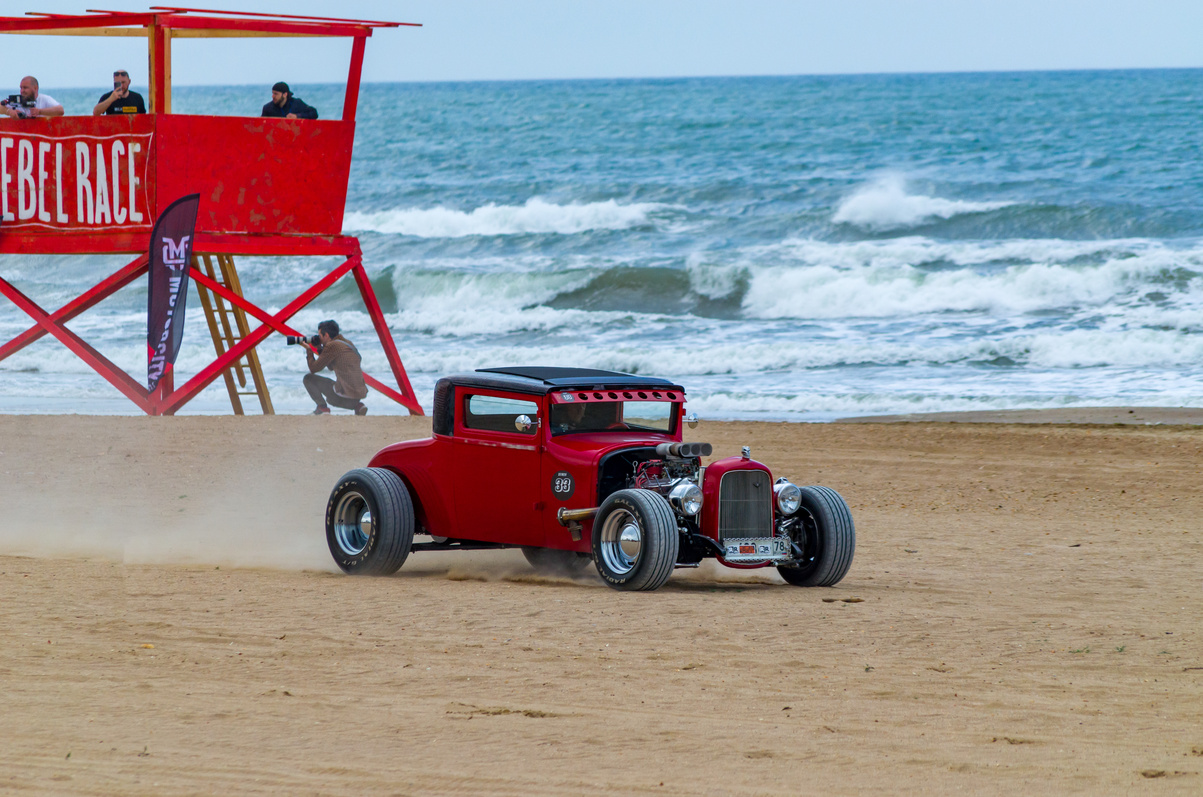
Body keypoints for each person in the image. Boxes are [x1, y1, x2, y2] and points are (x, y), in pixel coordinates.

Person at [303, 320, 368, 415]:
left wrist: (309, 349)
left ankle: (322, 408)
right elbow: (331, 367)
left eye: (320, 336)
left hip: (343, 396)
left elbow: (313, 368)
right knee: (337, 389)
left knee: (308, 378)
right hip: (357, 395)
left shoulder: (332, 345)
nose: (319, 338)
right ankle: (358, 406)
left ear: (327, 335)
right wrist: (319, 348)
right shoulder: (347, 343)